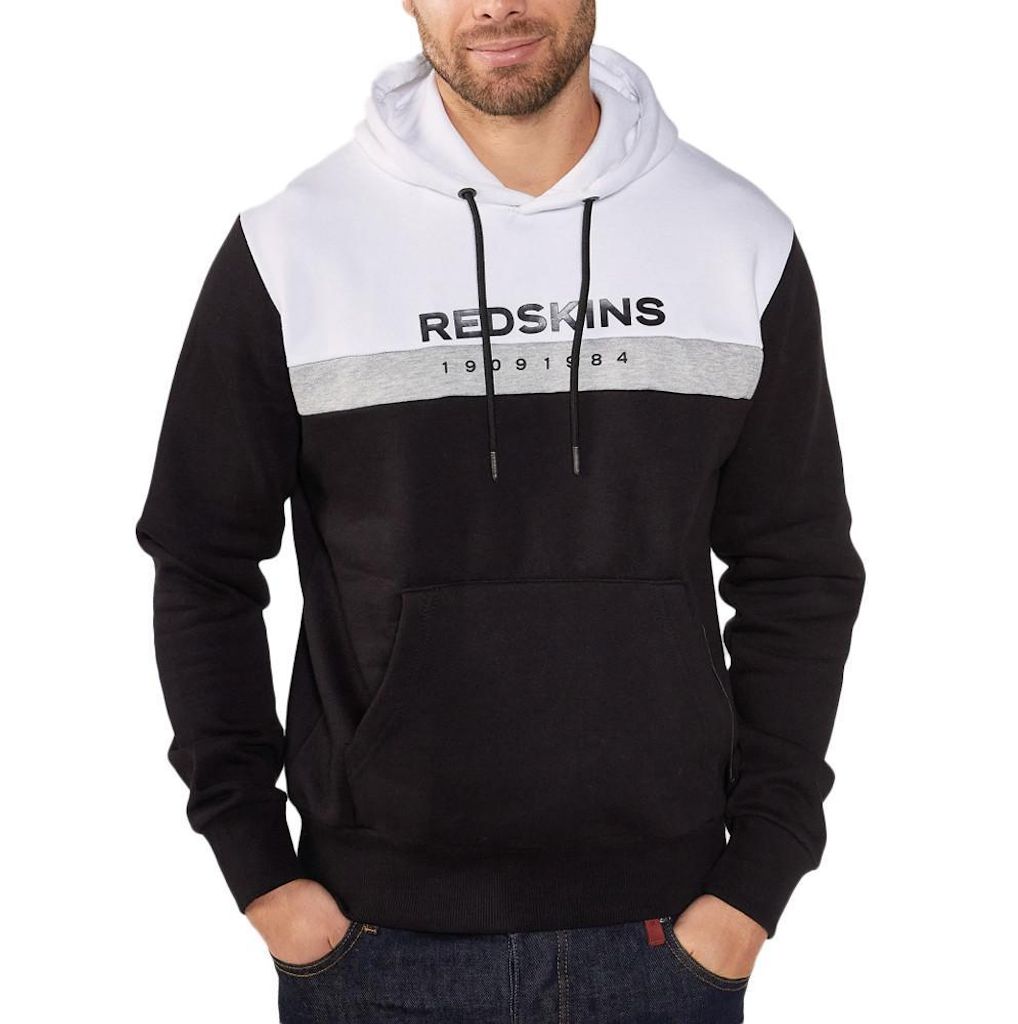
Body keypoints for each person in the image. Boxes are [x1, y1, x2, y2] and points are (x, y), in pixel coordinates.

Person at [135, 1, 866, 1021]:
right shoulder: (295, 244)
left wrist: (760, 876)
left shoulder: (733, 235)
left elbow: (796, 568)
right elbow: (201, 561)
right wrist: (257, 867)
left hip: (668, 936)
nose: (494, 5)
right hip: (372, 941)